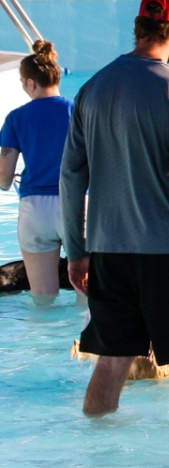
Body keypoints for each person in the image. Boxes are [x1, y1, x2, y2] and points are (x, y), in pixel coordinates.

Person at [59, 0, 169, 415]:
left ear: (140, 27)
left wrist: (77, 251)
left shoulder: (92, 89)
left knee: (111, 361)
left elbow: (69, 177)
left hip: (108, 251)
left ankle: (95, 463)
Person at [0, 39, 73, 304]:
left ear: (31, 82)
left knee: (42, 299)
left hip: (35, 209)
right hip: (76, 205)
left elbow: (4, 178)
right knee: (89, 297)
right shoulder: (79, 111)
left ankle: (45, 344)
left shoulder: (16, 118)